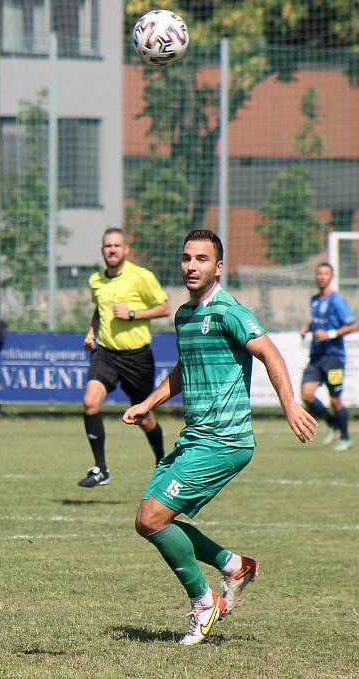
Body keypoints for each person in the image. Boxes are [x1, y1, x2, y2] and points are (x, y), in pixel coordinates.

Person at [123, 229, 317, 645]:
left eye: (201, 259)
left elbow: (270, 354)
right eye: (187, 258)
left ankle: (203, 601)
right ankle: (233, 566)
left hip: (225, 441)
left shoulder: (230, 311)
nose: (191, 266)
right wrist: (148, 402)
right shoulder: (184, 315)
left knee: (154, 518)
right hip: (195, 437)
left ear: (218, 267)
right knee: (150, 522)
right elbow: (183, 369)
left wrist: (290, 406)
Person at [79, 227, 170, 488]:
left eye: (117, 246)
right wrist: (91, 332)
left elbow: (164, 307)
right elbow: (100, 309)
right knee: (90, 403)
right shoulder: (96, 280)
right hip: (105, 353)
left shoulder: (141, 276)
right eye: (108, 246)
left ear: (126, 250)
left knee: (144, 416)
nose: (112, 250)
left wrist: (132, 313)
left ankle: (162, 463)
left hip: (137, 356)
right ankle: (101, 469)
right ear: (102, 250)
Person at [299, 262, 358, 452]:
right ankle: (331, 423)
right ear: (316, 276)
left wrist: (330, 334)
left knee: (335, 400)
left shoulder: (337, 300)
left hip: (334, 358)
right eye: (319, 273)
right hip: (316, 356)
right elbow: (317, 321)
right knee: (307, 395)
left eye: (326, 273)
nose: (322, 277)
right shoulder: (315, 299)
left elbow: (352, 325)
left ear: (331, 277)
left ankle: (346, 437)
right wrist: (308, 328)